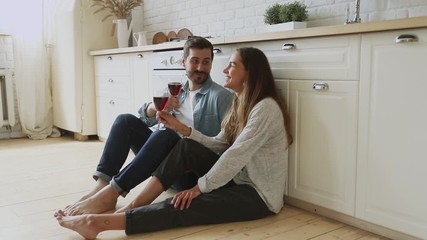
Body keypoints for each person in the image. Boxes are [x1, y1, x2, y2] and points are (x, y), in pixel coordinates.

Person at [54, 47, 293, 239]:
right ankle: (121, 200)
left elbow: (235, 155)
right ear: (184, 62)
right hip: (233, 179)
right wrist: (181, 129)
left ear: (250, 72)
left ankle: (102, 222)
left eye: (232, 64)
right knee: (172, 141)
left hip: (257, 195)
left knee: (182, 205)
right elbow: (220, 144)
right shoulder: (241, 105)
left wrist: (199, 187)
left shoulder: (265, 108)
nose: (225, 70)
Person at [62, 36, 233, 216]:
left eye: (206, 62)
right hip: (163, 165)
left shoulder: (221, 97)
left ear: (212, 64)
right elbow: (143, 117)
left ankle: (112, 193)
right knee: (124, 121)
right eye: (195, 61)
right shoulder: (176, 91)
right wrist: (154, 108)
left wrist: (180, 129)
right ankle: (100, 187)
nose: (200, 68)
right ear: (183, 62)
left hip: (188, 172)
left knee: (165, 134)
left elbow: (225, 145)